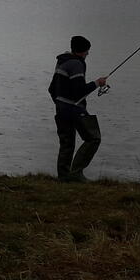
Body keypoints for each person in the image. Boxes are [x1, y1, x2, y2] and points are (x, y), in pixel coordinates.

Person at [48, 35, 107, 182]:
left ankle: (63, 177)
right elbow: (79, 91)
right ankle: (76, 173)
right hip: (73, 109)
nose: (88, 53)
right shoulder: (76, 64)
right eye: (87, 51)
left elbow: (51, 89)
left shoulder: (62, 62)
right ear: (82, 51)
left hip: (61, 109)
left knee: (66, 144)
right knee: (94, 138)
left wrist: (59, 104)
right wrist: (97, 83)